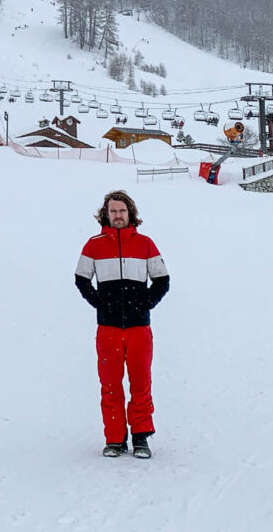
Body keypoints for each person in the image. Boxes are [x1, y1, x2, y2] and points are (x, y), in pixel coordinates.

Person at [74, 190, 170, 459]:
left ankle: (141, 437)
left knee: (141, 383)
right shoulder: (93, 245)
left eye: (122, 211)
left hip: (139, 329)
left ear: (131, 214)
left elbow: (162, 280)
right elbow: (81, 279)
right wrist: (100, 304)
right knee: (110, 384)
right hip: (108, 329)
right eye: (113, 211)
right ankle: (115, 439)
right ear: (105, 213)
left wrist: (146, 304)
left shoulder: (146, 244)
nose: (117, 215)